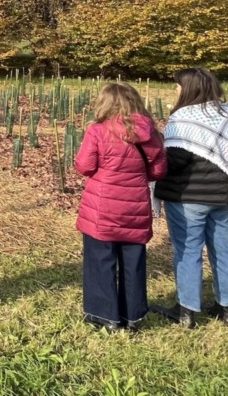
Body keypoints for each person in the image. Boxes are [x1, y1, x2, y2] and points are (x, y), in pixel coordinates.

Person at [153, 67, 228, 328]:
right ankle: (227, 309)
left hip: (188, 198)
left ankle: (186, 310)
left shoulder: (183, 118)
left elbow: (175, 160)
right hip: (223, 198)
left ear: (188, 88)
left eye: (177, 85)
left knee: (188, 251)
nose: (175, 89)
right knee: (224, 250)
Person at [74, 84, 168, 332]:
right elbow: (158, 171)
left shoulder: (97, 131)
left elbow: (84, 166)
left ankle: (104, 315)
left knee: (100, 260)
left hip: (102, 206)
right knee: (133, 261)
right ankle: (132, 315)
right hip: (135, 206)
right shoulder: (151, 134)